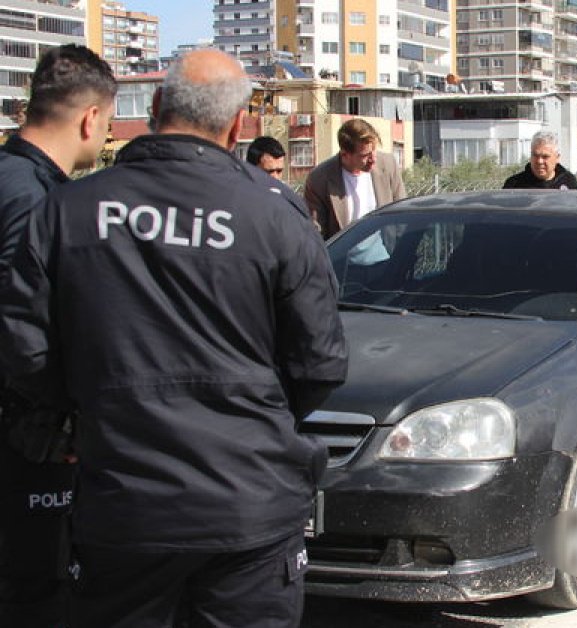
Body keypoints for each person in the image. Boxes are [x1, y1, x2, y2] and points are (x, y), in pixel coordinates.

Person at [0, 49, 348, 627]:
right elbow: (319, 363)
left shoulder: (66, 210)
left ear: (156, 106)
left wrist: (87, 412)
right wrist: (249, 414)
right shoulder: (275, 216)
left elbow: (24, 347)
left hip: (122, 502)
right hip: (248, 505)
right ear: (238, 126)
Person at [0, 44, 115, 628]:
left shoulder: (11, 177)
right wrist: (58, 417)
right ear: (91, 118)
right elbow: (21, 323)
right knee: (36, 589)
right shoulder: (37, 198)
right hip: (24, 437)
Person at [304, 118, 406, 239]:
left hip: (386, 253)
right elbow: (316, 233)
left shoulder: (388, 165)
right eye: (365, 155)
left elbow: (402, 214)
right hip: (342, 256)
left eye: (373, 150)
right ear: (345, 154)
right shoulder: (319, 179)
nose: (373, 159)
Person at [502, 131, 577, 190]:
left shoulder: (569, 182)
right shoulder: (514, 185)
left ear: (557, 158)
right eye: (535, 155)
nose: (539, 161)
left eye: (545, 156)